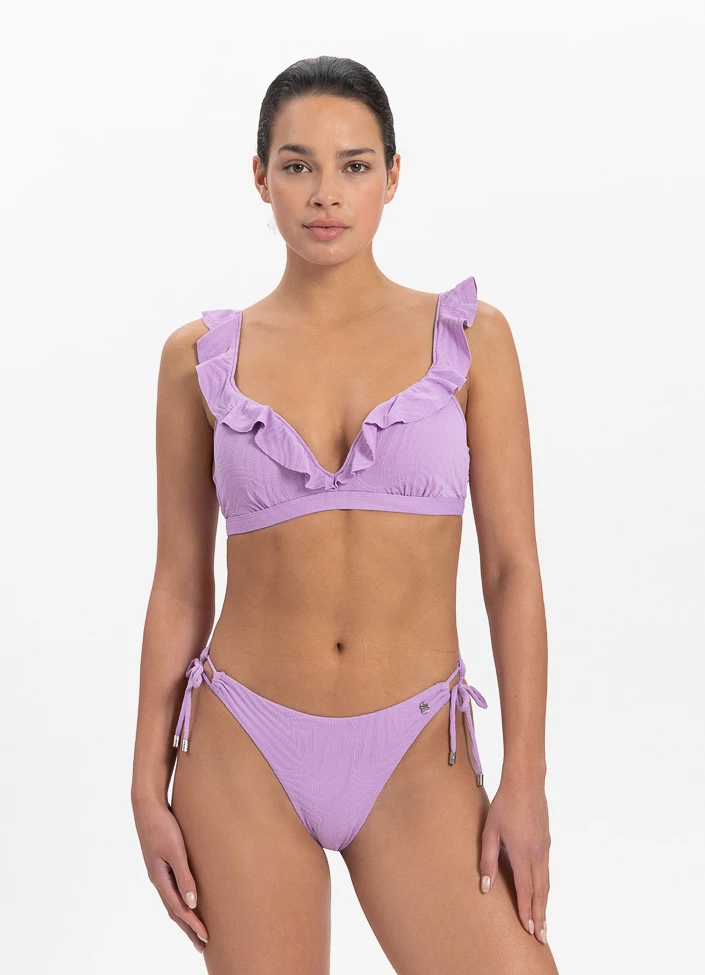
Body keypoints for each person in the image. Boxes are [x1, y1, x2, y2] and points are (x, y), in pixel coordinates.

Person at [131, 55, 559, 974]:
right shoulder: (196, 360)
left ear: (392, 176)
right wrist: (143, 783)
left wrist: (524, 775)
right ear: (260, 178)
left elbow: (510, 568)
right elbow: (179, 585)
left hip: (416, 750)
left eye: (353, 165)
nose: (325, 193)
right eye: (297, 165)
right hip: (241, 745)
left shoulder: (471, 340)